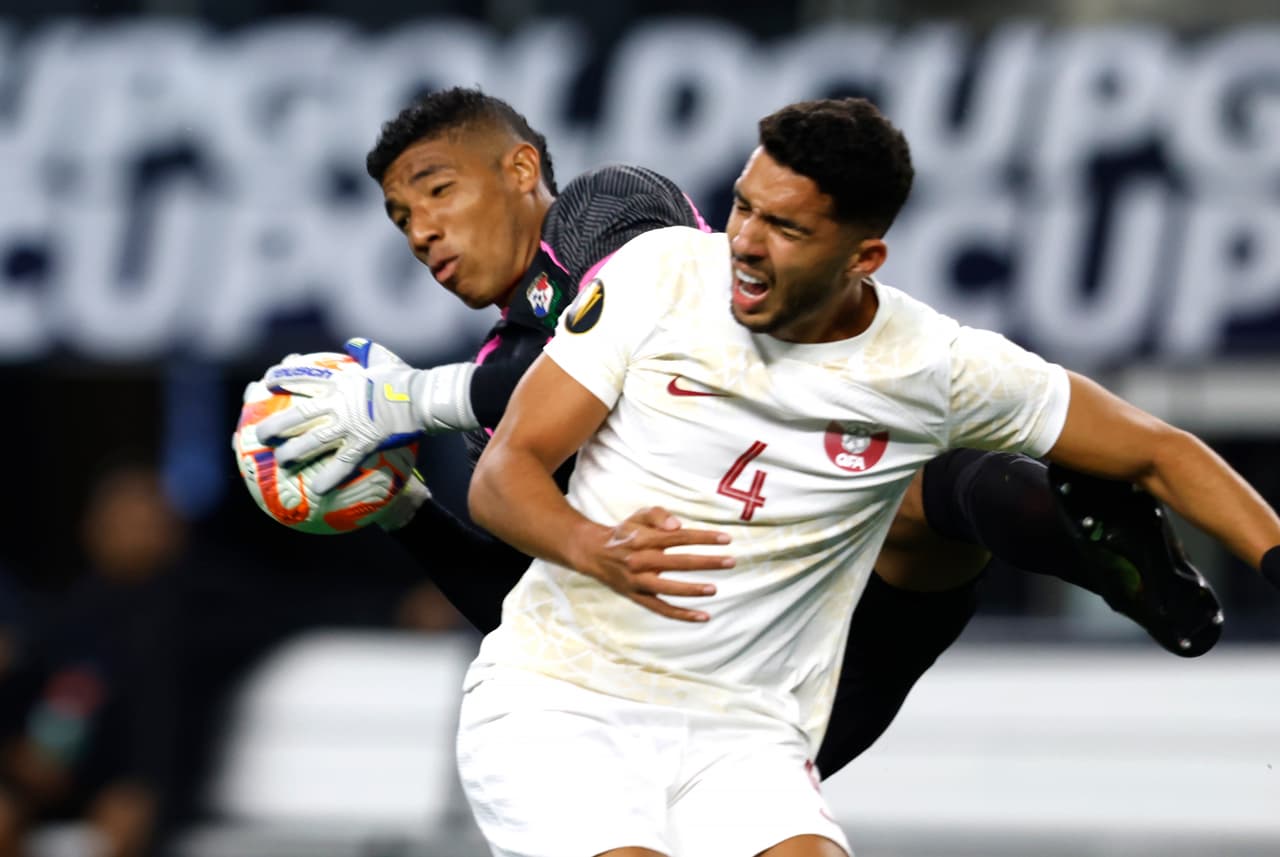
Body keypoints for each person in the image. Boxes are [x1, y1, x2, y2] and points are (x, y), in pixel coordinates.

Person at [252, 88, 1226, 779]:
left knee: (927, 494)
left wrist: (405, 400)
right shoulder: (506, 424)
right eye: (397, 215)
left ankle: (1109, 551)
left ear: (519, 168)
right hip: (743, 655)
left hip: (809, 494)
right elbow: (524, 607)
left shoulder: (604, 212)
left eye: (435, 191)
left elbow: (598, 339)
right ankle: (1091, 532)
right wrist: (405, 508)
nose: (417, 227)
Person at [459, 97, 1280, 857]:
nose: (744, 240)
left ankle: (1081, 549)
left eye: (785, 226)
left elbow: (1160, 452)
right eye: (744, 203)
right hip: (560, 701)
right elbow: (503, 474)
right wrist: (592, 544)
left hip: (745, 733)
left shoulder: (932, 364)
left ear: (866, 255)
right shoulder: (659, 275)